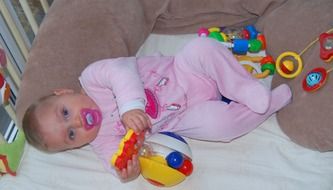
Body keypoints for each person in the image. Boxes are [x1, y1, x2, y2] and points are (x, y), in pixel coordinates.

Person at [22, 37, 292, 182]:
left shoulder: (92, 79)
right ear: (74, 147)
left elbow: (121, 71)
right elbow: (118, 161)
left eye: (65, 113)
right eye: (71, 135)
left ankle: (244, 89)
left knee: (202, 47)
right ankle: (269, 104)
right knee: (220, 127)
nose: (79, 124)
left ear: (63, 93)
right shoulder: (101, 141)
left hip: (186, 70)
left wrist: (130, 107)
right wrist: (129, 171)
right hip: (185, 116)